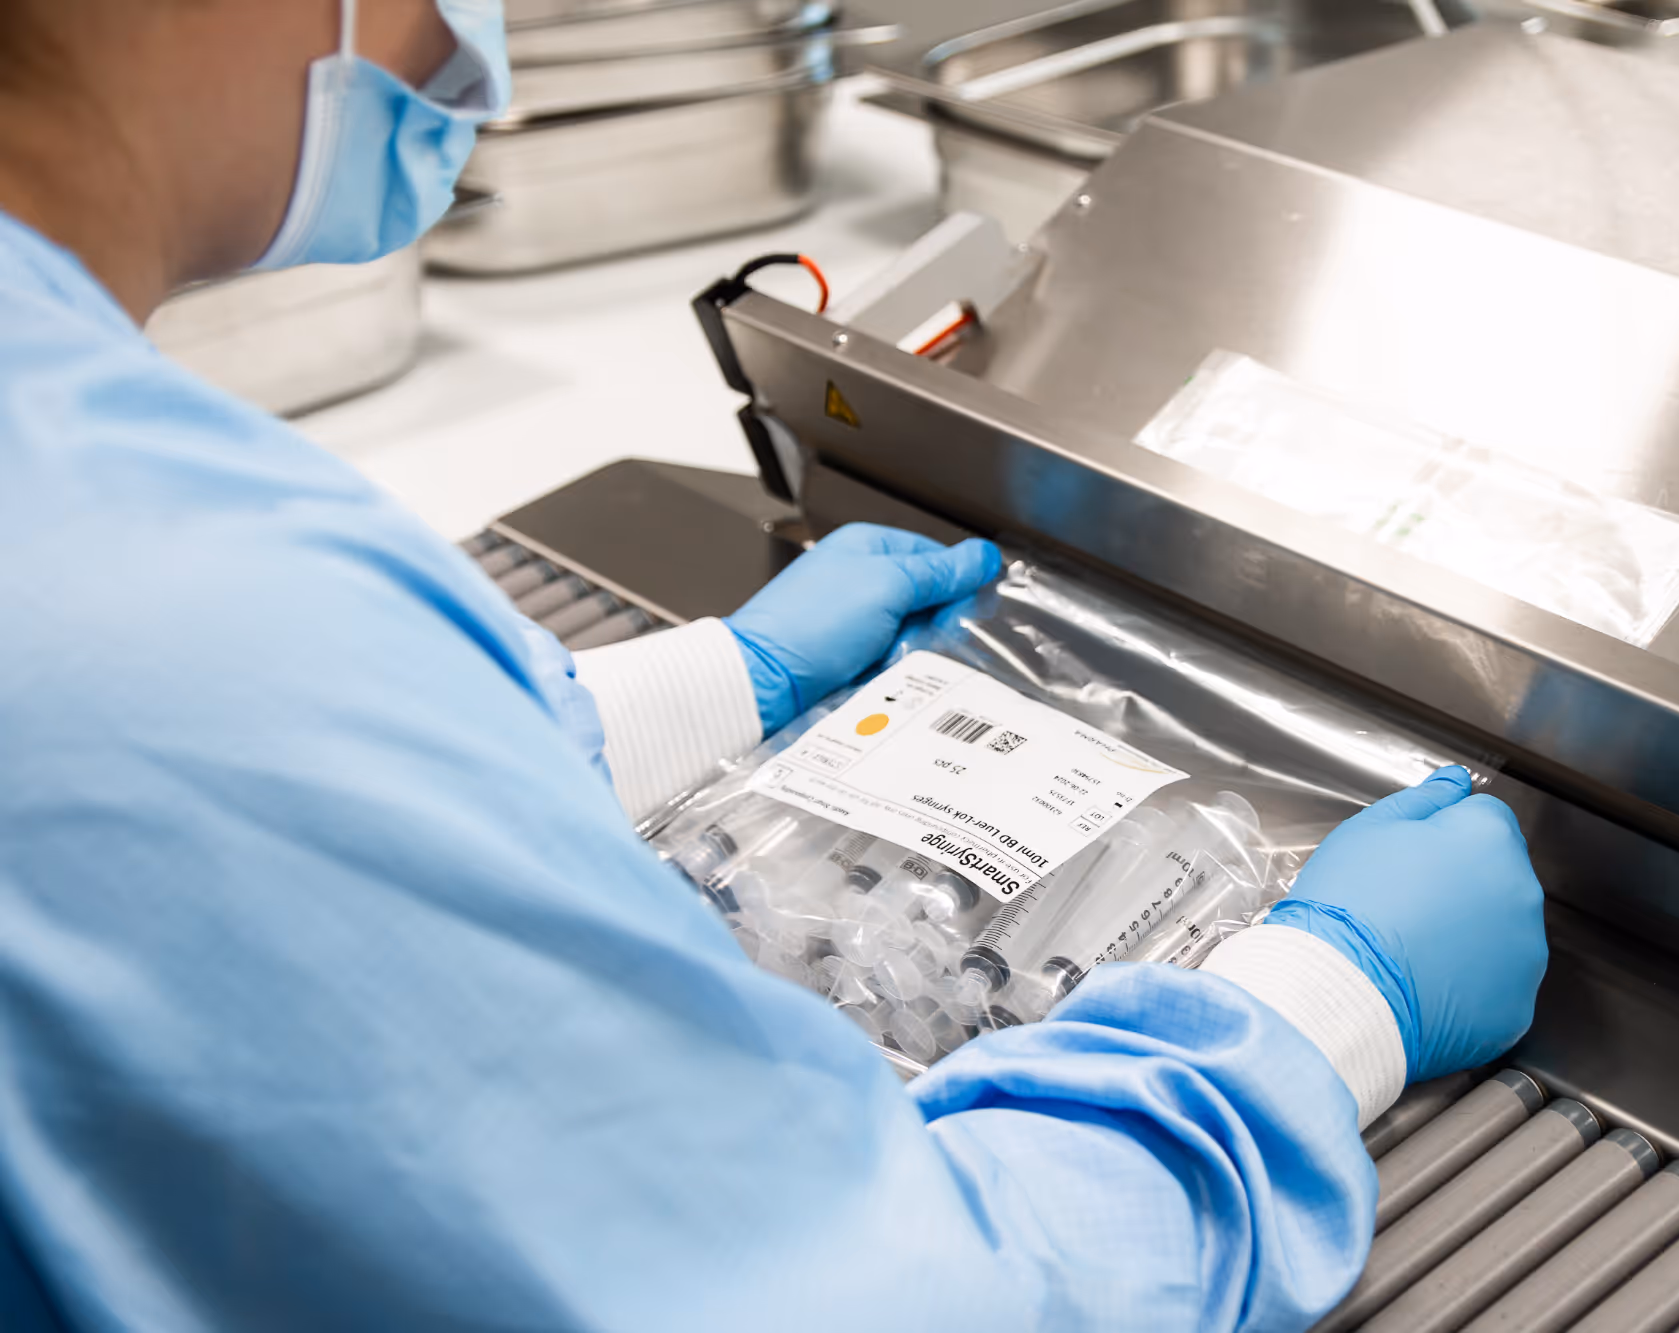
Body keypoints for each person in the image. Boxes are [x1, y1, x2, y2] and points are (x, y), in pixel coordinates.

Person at [0, 2, 1549, 1330]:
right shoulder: (186, 620)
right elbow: (878, 1297)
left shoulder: (105, 508)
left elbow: (248, 827)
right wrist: (1324, 1005)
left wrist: (679, 699)